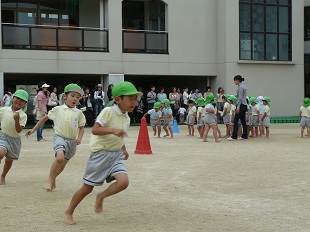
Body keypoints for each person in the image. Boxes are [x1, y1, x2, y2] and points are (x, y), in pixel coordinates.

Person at [64, 81, 140, 225]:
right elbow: (95, 130)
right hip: (100, 155)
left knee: (123, 182)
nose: (134, 102)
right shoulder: (108, 111)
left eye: (135, 98)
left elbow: (120, 136)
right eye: (130, 98)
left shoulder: (127, 117)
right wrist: (113, 131)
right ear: (118, 99)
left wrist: (124, 150)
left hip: (115, 155)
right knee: (87, 188)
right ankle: (69, 211)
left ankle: (101, 196)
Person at [26, 84, 86, 191]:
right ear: (64, 96)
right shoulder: (58, 109)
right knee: (59, 158)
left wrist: (79, 138)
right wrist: (33, 129)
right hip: (60, 138)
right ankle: (49, 180)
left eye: (77, 97)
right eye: (72, 96)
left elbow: (81, 128)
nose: (75, 99)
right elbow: (44, 118)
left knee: (62, 164)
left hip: (72, 142)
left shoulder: (79, 113)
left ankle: (53, 178)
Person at [0, 89, 29, 185]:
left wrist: (17, 120)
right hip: (3, 137)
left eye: (22, 100)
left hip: (14, 140)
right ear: (13, 98)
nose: (19, 101)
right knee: (0, 153)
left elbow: (19, 130)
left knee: (9, 161)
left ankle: (3, 176)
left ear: (25, 103)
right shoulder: (4, 110)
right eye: (17, 98)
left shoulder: (23, 115)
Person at [227, 75, 248, 141]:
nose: (234, 82)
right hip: (244, 104)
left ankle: (234, 136)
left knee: (236, 120)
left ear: (238, 80)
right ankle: (244, 135)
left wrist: (238, 107)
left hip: (241, 105)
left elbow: (240, 98)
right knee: (243, 121)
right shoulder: (243, 86)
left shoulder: (240, 87)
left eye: (235, 80)